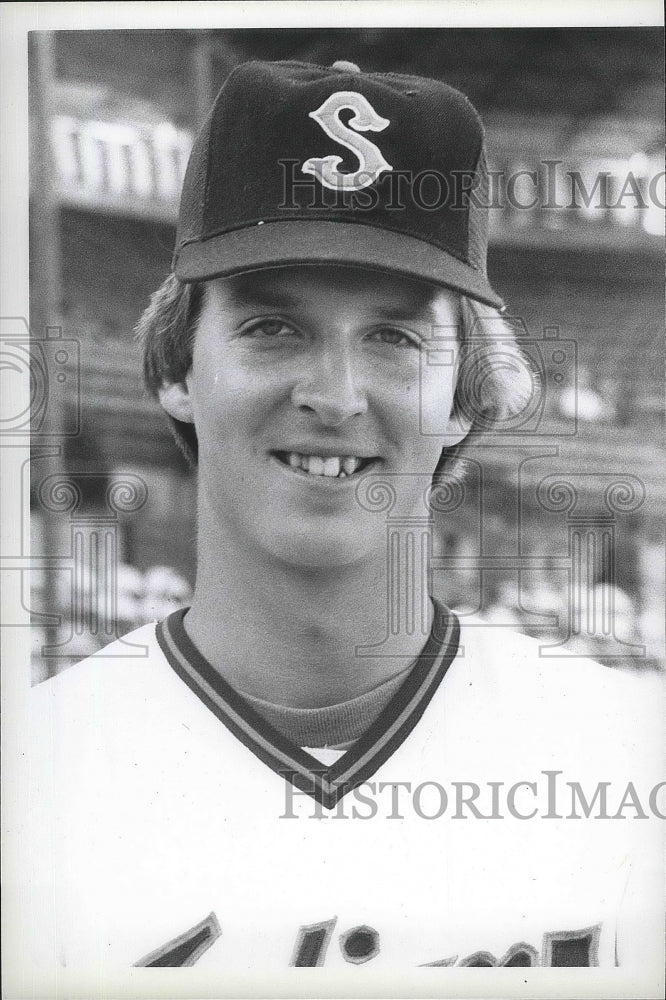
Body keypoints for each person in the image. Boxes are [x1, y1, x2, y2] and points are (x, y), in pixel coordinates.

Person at [16, 59, 660, 980]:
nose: (334, 394)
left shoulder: (626, 765)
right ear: (173, 369)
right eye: (273, 326)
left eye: (395, 337)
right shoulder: (34, 785)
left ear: (465, 400)